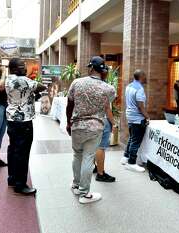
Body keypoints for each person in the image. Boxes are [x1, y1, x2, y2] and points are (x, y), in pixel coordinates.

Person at [66, 56, 115, 204]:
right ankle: (84, 193)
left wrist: (69, 123)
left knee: (77, 155)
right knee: (88, 157)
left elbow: (70, 105)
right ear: (103, 71)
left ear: (90, 68)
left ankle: (75, 185)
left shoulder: (77, 83)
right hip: (95, 127)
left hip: (77, 126)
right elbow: (107, 106)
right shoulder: (109, 88)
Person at [5, 58, 46, 195]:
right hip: (23, 121)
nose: (25, 68)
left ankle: (12, 178)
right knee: (22, 152)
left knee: (13, 149)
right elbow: (41, 86)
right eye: (22, 66)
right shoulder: (23, 80)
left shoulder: (8, 79)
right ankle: (20, 185)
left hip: (12, 119)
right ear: (14, 68)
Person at [120, 69, 149, 172]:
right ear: (141, 77)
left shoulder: (129, 86)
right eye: (144, 75)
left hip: (130, 116)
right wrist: (147, 117)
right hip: (137, 118)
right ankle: (131, 163)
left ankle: (125, 157)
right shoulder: (139, 89)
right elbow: (141, 106)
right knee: (136, 141)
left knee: (132, 138)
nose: (146, 77)